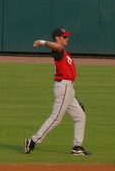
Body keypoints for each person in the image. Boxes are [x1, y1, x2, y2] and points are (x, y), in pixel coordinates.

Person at [24, 28, 91, 156]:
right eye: (64, 37)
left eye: (67, 37)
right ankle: (32, 141)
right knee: (55, 118)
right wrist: (43, 42)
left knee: (80, 116)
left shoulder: (64, 52)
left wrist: (73, 98)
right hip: (63, 87)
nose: (67, 39)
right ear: (57, 39)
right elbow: (55, 47)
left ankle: (77, 147)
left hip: (68, 89)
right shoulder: (59, 51)